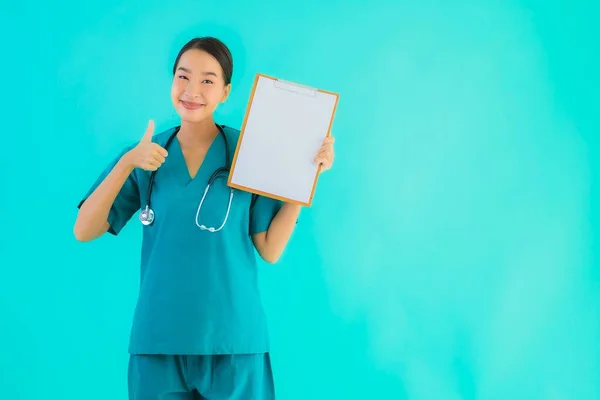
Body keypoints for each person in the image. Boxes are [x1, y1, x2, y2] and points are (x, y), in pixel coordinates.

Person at [73, 36, 335, 400]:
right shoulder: (146, 156)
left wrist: (307, 179)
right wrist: (126, 163)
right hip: (158, 342)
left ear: (226, 91)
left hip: (233, 342)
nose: (192, 90)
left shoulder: (248, 153)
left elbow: (270, 248)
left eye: (208, 80)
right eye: (183, 76)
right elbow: (84, 230)